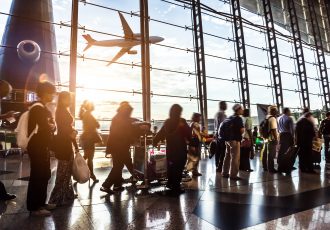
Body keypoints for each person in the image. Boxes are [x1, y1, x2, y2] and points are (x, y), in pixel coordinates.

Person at [101, 102, 149, 194]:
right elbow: (129, 129)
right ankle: (106, 185)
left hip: (117, 146)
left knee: (122, 164)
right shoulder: (122, 119)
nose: (130, 113)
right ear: (126, 111)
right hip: (120, 147)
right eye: (129, 111)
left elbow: (130, 123)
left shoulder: (118, 117)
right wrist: (141, 125)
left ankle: (117, 185)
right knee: (118, 167)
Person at [27, 81, 56, 216]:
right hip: (37, 147)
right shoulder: (37, 108)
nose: (53, 95)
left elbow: (51, 126)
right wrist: (50, 125)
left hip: (42, 147)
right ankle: (34, 207)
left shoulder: (43, 108)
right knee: (37, 176)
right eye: (52, 92)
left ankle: (41, 203)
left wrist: (51, 126)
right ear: (45, 93)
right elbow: (45, 127)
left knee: (44, 175)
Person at [153, 104, 191, 195]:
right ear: (178, 112)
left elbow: (160, 134)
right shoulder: (181, 122)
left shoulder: (167, 122)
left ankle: (170, 184)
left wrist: (155, 142)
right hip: (180, 150)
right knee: (178, 168)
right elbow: (188, 134)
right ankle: (176, 188)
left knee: (171, 167)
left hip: (170, 150)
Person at [49, 92, 78, 206]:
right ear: (62, 99)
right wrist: (73, 132)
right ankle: (55, 198)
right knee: (63, 170)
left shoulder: (62, 110)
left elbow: (67, 128)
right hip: (64, 143)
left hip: (65, 143)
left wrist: (72, 133)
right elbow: (65, 129)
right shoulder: (61, 111)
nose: (70, 100)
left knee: (66, 170)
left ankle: (67, 194)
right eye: (68, 99)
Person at [79, 100, 101, 182]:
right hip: (89, 139)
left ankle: (78, 168)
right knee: (90, 158)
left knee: (87, 156)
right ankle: (91, 174)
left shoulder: (85, 114)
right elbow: (97, 125)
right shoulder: (89, 115)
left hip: (85, 138)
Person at [222, 104, 244, 180]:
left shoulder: (229, 118)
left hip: (227, 140)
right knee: (235, 158)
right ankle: (233, 175)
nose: (243, 110)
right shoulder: (238, 118)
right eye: (241, 109)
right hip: (235, 140)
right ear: (238, 110)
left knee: (227, 156)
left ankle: (225, 173)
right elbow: (242, 130)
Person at [186, 113, 203, 177]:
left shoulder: (191, 123)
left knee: (191, 158)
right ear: (195, 118)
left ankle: (189, 171)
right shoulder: (196, 124)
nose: (200, 119)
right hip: (195, 143)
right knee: (195, 157)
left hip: (191, 143)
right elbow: (197, 134)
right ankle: (194, 171)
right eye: (199, 117)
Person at [263, 105, 279, 173]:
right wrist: (276, 139)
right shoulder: (272, 118)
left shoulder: (266, 117)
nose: (277, 111)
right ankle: (271, 169)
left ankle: (265, 166)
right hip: (272, 139)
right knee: (271, 154)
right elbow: (273, 130)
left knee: (266, 153)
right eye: (275, 110)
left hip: (267, 138)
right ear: (273, 111)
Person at [214, 101, 227, 172]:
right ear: (222, 105)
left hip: (217, 135)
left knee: (218, 152)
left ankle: (217, 166)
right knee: (223, 152)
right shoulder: (222, 114)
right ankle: (220, 166)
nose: (226, 106)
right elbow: (223, 126)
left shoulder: (217, 114)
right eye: (225, 104)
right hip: (222, 136)